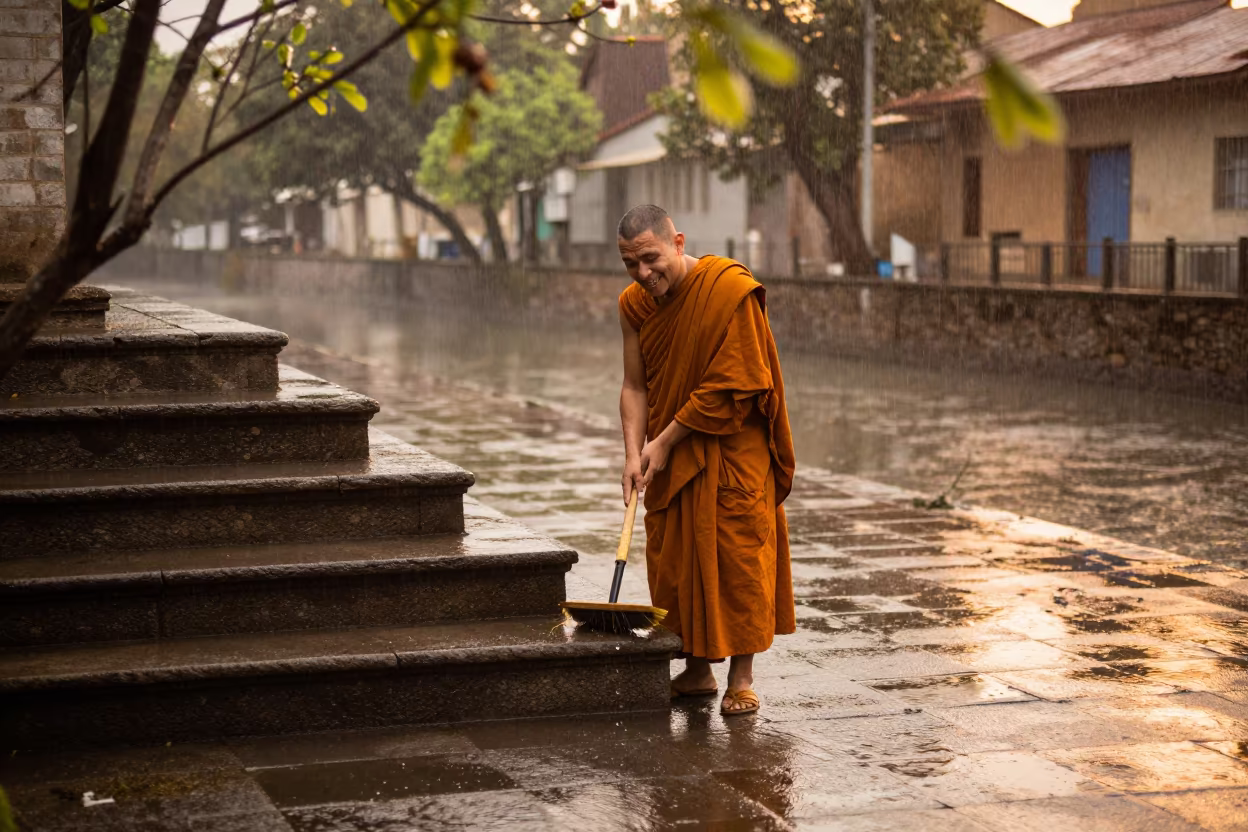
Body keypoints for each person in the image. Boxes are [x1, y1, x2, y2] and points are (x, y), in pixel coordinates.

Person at [616, 204, 796, 716]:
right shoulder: (633, 304)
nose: (643, 274)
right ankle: (696, 668)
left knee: (738, 556)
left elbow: (735, 383)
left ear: (677, 242)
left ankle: (742, 676)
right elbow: (634, 385)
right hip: (668, 452)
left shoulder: (727, 289)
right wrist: (633, 453)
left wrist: (665, 440)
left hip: (734, 448)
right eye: (631, 264)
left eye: (651, 259)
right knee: (675, 560)